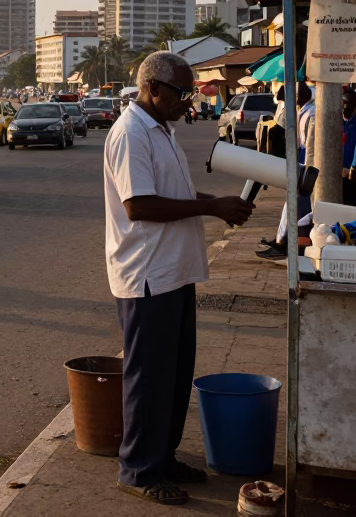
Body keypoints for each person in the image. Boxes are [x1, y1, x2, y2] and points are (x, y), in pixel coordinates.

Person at [105, 51, 254, 506]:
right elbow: (140, 206)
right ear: (152, 88)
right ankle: (138, 468)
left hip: (173, 271)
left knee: (172, 377)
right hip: (148, 275)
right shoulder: (132, 133)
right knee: (148, 378)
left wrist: (218, 202)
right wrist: (211, 207)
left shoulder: (160, 130)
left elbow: (177, 196)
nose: (187, 102)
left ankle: (162, 457)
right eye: (181, 93)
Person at [258, 83, 316, 261]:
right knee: (294, 206)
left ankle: (284, 242)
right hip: (302, 161)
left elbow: (310, 146)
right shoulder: (302, 112)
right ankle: (282, 240)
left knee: (296, 206)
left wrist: (305, 170)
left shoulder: (311, 114)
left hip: (307, 164)